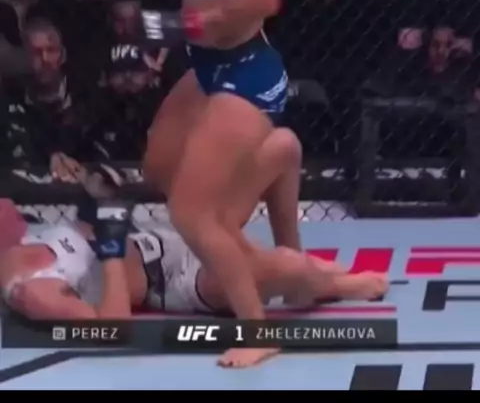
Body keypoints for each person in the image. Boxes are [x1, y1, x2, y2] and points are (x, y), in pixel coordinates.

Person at [0, 131, 387, 368]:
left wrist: (97, 195)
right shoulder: (31, 290)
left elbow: (101, 217)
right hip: (175, 281)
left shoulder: (32, 238)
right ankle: (326, 284)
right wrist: (111, 250)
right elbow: (112, 329)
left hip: (177, 235)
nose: (6, 202)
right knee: (286, 266)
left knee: (284, 147)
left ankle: (303, 284)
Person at [140, 0, 290, 367]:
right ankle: (246, 250)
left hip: (248, 72)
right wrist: (170, 34)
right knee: (158, 165)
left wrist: (192, 25)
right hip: (206, 67)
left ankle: (257, 331)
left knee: (189, 211)